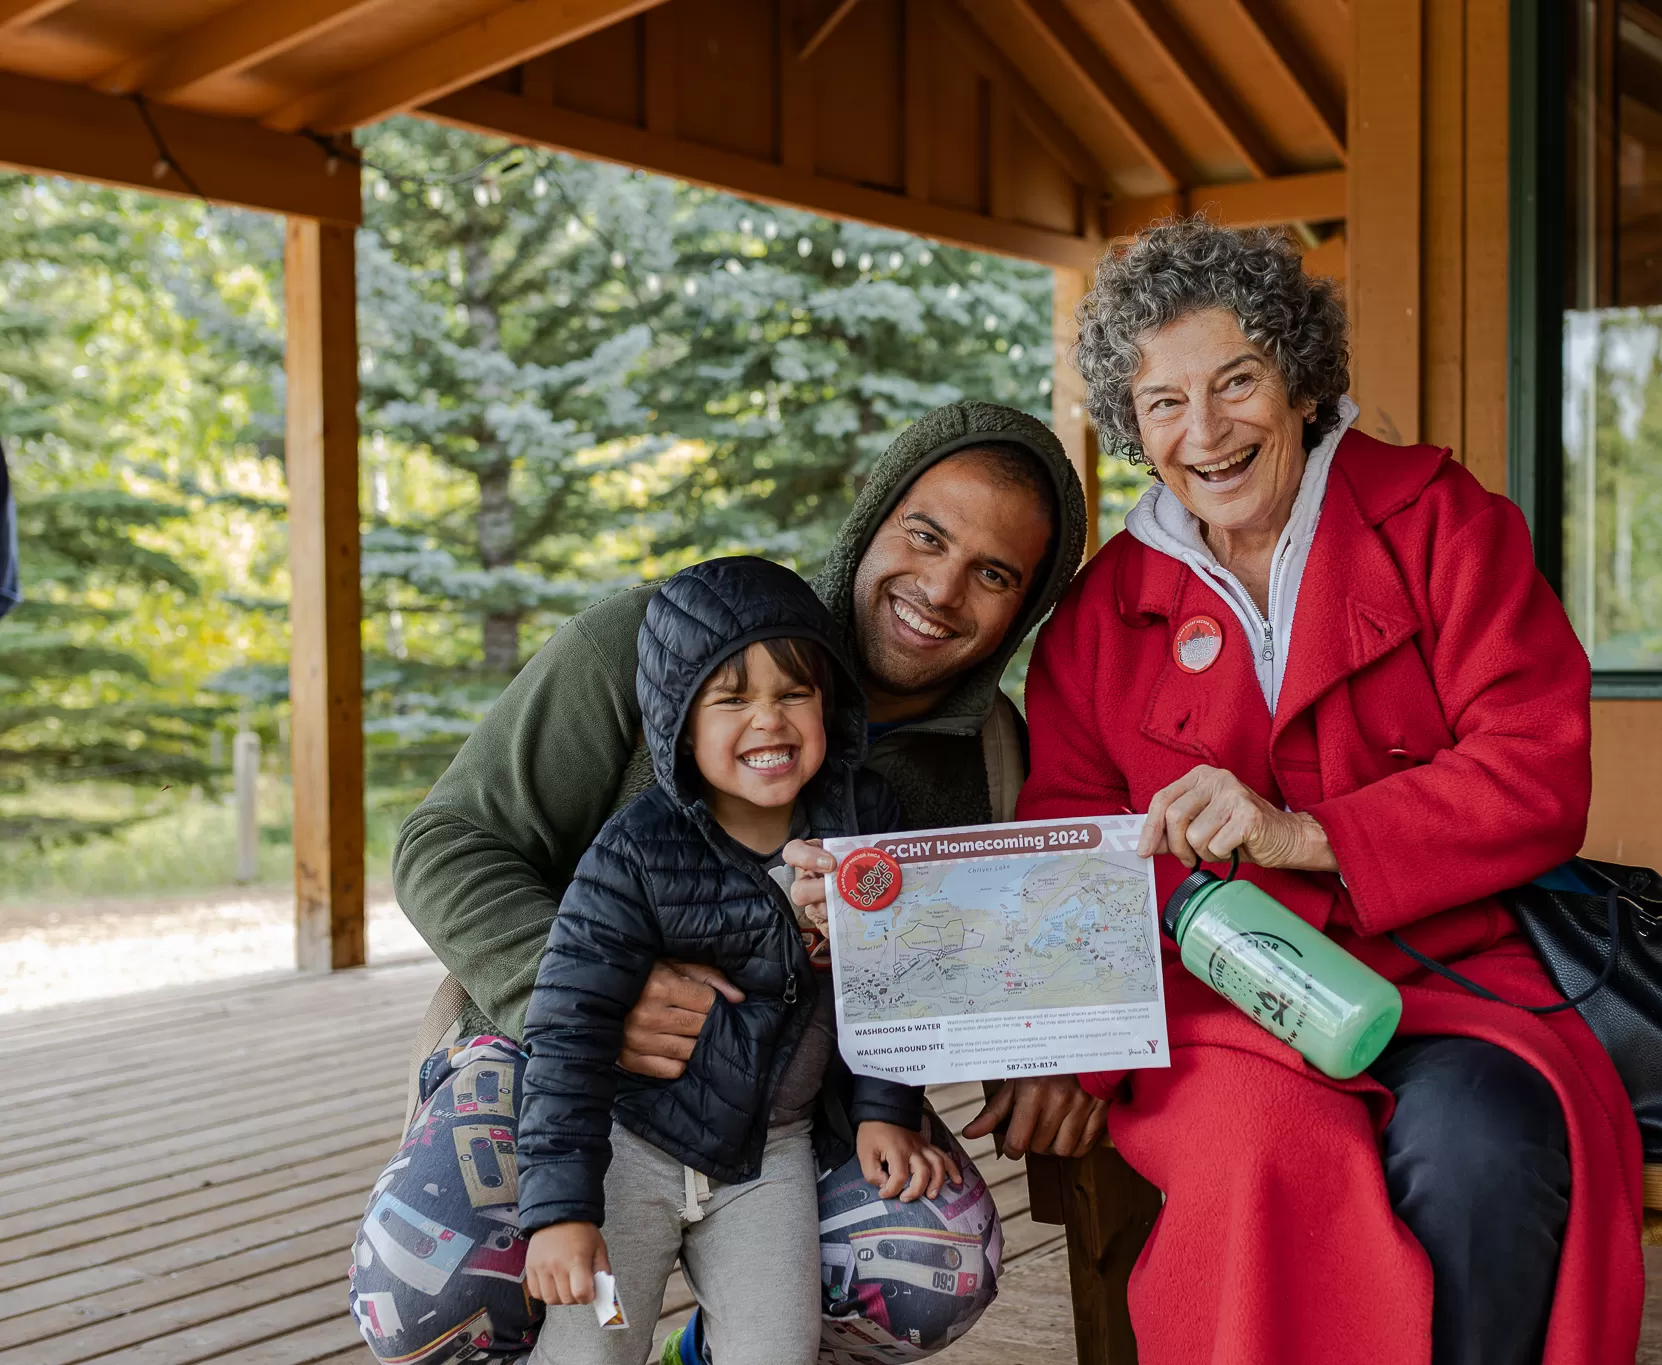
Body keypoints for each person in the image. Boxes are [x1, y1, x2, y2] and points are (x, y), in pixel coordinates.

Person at [1012, 218, 1644, 1365]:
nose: (1203, 432)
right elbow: (1066, 850)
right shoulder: (1097, 620)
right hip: (1216, 1013)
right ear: (1131, 425)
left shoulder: (1442, 525)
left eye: (1235, 381)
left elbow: (1536, 767)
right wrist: (1074, 1054)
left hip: (1449, 977)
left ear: (1298, 380)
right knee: (1257, 1159)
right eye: (1162, 402)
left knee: (1483, 1151)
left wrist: (1303, 834)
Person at [354, 403, 1102, 1365]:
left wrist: (1051, 1048)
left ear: (1025, 607)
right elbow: (444, 839)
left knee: (932, 1263)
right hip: (559, 1059)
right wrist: (572, 989)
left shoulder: (990, 760)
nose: (941, 587)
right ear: (872, 518)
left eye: (994, 574)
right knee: (433, 1287)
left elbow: (992, 958)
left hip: (788, 1111)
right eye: (926, 534)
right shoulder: (647, 638)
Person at [517, 557, 956, 1365]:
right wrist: (560, 1209)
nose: (769, 721)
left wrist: (885, 1109)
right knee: (600, 1342)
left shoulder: (863, 827)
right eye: (731, 698)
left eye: (794, 693)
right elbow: (567, 1027)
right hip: (628, 1157)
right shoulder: (635, 851)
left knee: (776, 1351)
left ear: (829, 702)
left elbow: (894, 982)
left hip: (768, 1163)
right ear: (681, 720)